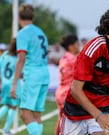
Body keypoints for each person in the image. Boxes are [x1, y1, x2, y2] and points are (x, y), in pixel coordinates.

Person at [58, 4, 109, 135]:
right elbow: (76, 90)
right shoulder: (93, 49)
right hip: (78, 107)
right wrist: (98, 116)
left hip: (107, 108)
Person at [10, 4, 49, 135]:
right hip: (45, 74)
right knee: (36, 115)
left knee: (25, 114)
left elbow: (21, 59)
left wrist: (14, 84)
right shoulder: (41, 32)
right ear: (32, 16)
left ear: (19, 17)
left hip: (33, 75)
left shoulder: (22, 33)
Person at [55, 34, 80, 134]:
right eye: (77, 44)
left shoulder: (64, 57)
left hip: (61, 92)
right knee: (71, 124)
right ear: (71, 46)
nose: (78, 46)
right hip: (67, 93)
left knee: (61, 120)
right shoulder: (72, 59)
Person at [0, 38, 21, 135]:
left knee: (7, 105)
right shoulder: (18, 59)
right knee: (13, 106)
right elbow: (21, 73)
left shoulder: (4, 55)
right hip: (14, 85)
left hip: (4, 83)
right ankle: (6, 129)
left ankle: (6, 129)